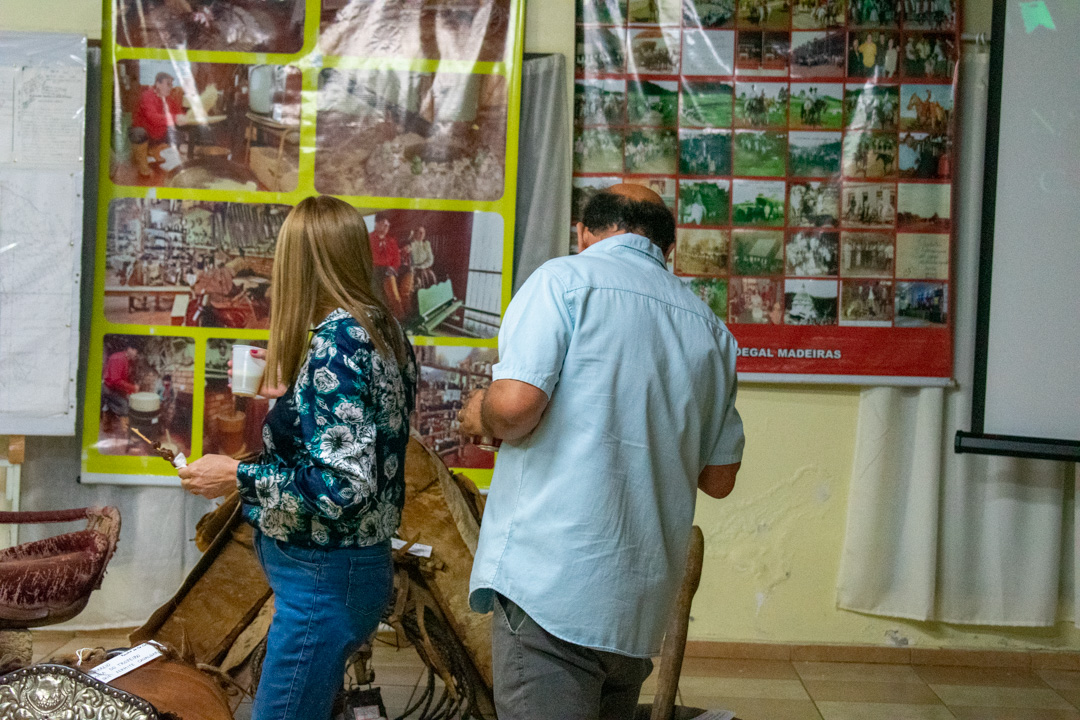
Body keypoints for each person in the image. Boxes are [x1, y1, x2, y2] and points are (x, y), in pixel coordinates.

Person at [458, 184, 745, 719]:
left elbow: (516, 409)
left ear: (584, 233)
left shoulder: (563, 281)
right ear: (668, 249)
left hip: (553, 586)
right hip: (636, 606)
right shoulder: (711, 330)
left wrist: (482, 413)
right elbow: (720, 476)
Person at [177, 195, 417, 720]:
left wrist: (238, 475)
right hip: (339, 571)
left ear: (298, 262)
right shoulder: (380, 327)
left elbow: (343, 484)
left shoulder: (340, 341)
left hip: (323, 578)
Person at [128, 72, 187, 177]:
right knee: (138, 133)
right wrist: (176, 118)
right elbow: (153, 118)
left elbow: (179, 113)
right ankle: (143, 166)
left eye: (171, 85)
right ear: (158, 84)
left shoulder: (169, 99)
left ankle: (154, 151)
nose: (171, 87)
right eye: (168, 84)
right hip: (146, 135)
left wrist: (189, 117)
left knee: (180, 135)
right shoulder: (147, 96)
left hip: (159, 135)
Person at [369, 213, 404, 319]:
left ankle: (401, 319)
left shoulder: (391, 241)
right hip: (374, 271)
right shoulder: (368, 238)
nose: (386, 228)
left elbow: (397, 260)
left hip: (388, 271)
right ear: (377, 224)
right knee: (376, 298)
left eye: (388, 226)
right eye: (384, 225)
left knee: (394, 297)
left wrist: (392, 268)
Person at [102, 346, 140, 436]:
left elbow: (122, 379)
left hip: (111, 387)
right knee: (124, 404)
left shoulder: (125, 359)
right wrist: (132, 387)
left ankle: (106, 427)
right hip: (108, 388)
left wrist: (129, 390)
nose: (136, 354)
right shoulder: (119, 359)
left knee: (109, 405)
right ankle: (127, 431)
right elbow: (116, 380)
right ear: (129, 348)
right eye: (135, 350)